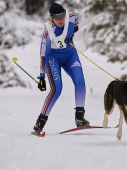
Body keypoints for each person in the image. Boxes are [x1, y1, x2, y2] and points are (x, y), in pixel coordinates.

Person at [33, 2, 89, 133]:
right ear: (51, 17)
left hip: (70, 56)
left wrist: (74, 28)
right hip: (53, 59)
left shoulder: (71, 16)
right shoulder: (48, 32)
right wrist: (41, 76)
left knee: (80, 82)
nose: (60, 20)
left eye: (62, 16)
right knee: (57, 89)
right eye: (56, 17)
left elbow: (75, 20)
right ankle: (40, 122)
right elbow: (43, 55)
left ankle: (80, 117)